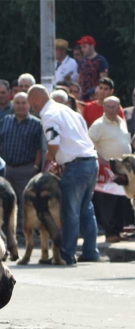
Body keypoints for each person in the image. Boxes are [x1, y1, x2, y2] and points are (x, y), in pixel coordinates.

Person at [28, 85, 101, 265]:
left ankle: (66, 254)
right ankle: (91, 252)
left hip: (75, 166)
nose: (31, 107)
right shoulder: (68, 111)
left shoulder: (49, 114)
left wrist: (50, 156)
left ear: (36, 99)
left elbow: (53, 144)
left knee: (70, 212)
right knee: (86, 209)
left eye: (31, 102)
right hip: (91, 161)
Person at [0, 92, 43, 233]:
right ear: (13, 105)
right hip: (6, 168)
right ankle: (6, 228)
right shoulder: (5, 121)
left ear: (29, 105)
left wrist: (35, 166)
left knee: (25, 201)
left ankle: (24, 229)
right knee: (4, 199)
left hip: (26, 169)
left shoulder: (37, 124)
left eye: (24, 103)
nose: (20, 106)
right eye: (18, 103)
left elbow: (39, 148)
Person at [88, 96, 133, 243]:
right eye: (108, 106)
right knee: (109, 202)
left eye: (115, 107)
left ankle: (118, 231)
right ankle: (110, 232)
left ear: (119, 107)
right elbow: (88, 143)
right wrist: (99, 158)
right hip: (107, 170)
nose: (111, 110)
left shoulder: (122, 122)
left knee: (121, 201)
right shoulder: (98, 125)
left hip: (123, 170)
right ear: (104, 108)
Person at [76, 36, 109, 101]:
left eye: (84, 47)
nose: (82, 49)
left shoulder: (100, 60)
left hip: (95, 96)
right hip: (82, 96)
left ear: (92, 46)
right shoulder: (81, 61)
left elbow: (104, 80)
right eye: (81, 47)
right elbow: (78, 79)